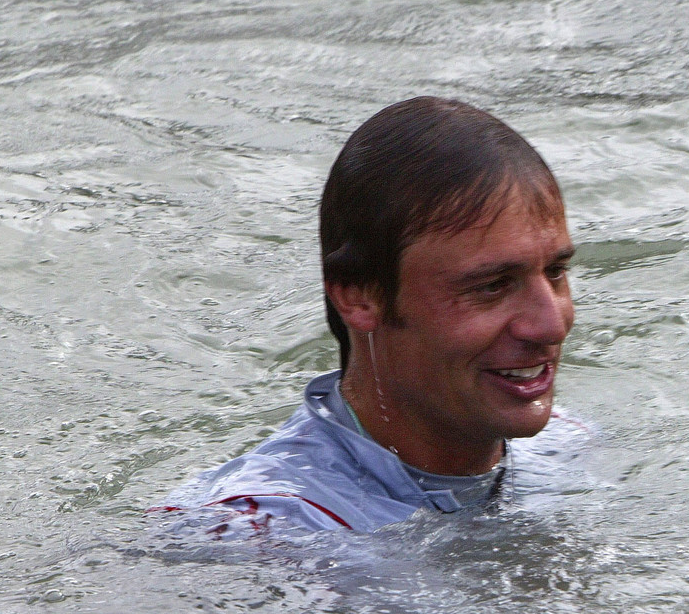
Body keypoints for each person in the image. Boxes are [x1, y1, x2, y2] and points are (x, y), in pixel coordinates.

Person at [162, 96, 581, 534]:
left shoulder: (569, 446)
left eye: (555, 272)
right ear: (359, 298)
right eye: (491, 286)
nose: (551, 324)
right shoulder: (253, 532)